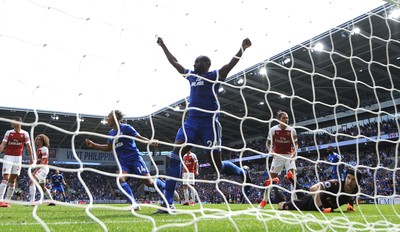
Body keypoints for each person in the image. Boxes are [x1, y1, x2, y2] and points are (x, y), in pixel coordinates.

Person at [155, 37, 252, 213]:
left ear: (206, 63)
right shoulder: (191, 76)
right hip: (191, 122)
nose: (194, 64)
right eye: (194, 61)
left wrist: (242, 49)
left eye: (197, 61)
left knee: (217, 167)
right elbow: (174, 62)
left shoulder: (214, 75)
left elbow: (230, 65)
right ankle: (167, 202)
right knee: (175, 154)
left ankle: (242, 172)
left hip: (210, 124)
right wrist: (164, 46)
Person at [85, 110, 167, 211]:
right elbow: (108, 148)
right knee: (120, 179)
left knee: (149, 182)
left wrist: (150, 141)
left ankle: (165, 186)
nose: (107, 119)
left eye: (109, 116)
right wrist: (93, 145)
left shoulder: (126, 128)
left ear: (115, 118)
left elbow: (139, 138)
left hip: (135, 159)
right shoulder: (111, 133)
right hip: (124, 163)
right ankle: (134, 204)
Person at [259, 110, 304, 209]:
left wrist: (294, 152)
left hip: (288, 156)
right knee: (271, 180)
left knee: (293, 177)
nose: (286, 119)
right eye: (284, 118)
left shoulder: (292, 130)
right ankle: (264, 200)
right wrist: (271, 151)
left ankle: (294, 200)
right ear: (279, 120)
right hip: (277, 157)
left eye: (287, 118)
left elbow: (296, 144)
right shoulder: (273, 130)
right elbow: (268, 143)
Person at [278, 167, 362, 213]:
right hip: (311, 203)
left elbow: (350, 197)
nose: (350, 181)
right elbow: (313, 188)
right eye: (348, 178)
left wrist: (350, 205)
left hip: (317, 201)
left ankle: (292, 179)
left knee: (302, 194)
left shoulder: (356, 189)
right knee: (283, 206)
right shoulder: (335, 184)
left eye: (353, 179)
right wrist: (321, 208)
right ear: (345, 177)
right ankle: (275, 185)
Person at [0, 116, 33, 207]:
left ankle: (7, 201)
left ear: (18, 123)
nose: (11, 123)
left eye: (13, 121)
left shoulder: (25, 134)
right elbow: (3, 145)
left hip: (18, 158)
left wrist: (31, 158)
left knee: (13, 180)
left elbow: (28, 146)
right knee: (5, 177)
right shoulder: (9, 133)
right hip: (8, 157)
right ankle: (0, 200)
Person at [28, 134, 55, 206]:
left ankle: (32, 201)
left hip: (43, 168)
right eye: (37, 139)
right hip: (40, 168)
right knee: (42, 187)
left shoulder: (44, 149)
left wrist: (35, 171)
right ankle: (52, 201)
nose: (37, 141)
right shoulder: (38, 150)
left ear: (43, 141)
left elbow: (43, 162)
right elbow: (39, 161)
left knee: (32, 181)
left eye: (39, 139)